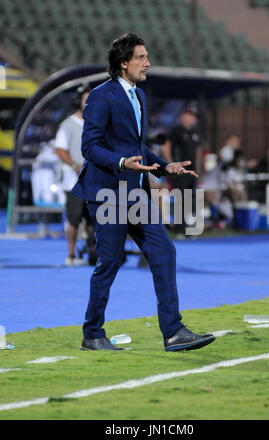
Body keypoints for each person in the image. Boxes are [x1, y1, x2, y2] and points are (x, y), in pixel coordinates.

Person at [71, 33, 215, 352]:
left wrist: (165, 167)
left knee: (164, 252)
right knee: (109, 262)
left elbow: (138, 148)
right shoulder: (100, 96)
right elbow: (89, 147)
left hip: (136, 195)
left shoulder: (139, 95)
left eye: (146, 57)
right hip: (108, 193)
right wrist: (122, 162)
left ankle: (173, 331)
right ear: (124, 64)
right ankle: (92, 333)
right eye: (141, 57)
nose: (147, 62)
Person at [54, 84, 96, 266]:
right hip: (73, 182)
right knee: (73, 219)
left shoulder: (98, 124)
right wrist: (74, 165)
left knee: (93, 219)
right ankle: (71, 253)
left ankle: (92, 251)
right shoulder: (68, 125)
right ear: (79, 101)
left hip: (94, 180)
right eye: (86, 99)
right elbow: (60, 149)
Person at [168, 107, 202, 235]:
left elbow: (198, 150)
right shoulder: (176, 132)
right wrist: (171, 165)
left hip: (192, 172)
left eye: (194, 117)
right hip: (179, 171)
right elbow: (167, 147)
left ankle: (189, 229)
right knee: (180, 198)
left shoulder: (194, 133)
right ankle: (179, 230)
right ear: (184, 116)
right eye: (190, 116)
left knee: (190, 199)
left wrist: (199, 167)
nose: (193, 119)